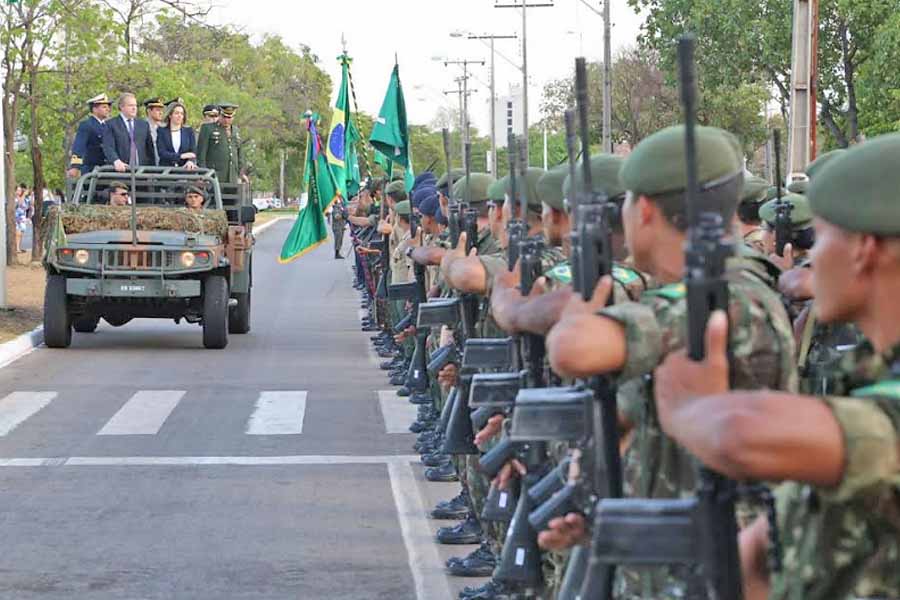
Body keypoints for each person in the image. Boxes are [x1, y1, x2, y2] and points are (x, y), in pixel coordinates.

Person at [652, 132, 900, 600]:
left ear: (864, 248)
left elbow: (742, 431)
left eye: (822, 238)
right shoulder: (869, 373)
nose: (812, 260)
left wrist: (688, 406)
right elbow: (764, 561)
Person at [102, 92, 156, 171]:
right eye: (131, 105)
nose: (134, 108)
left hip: (141, 173)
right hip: (120, 171)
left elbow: (150, 151)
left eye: (135, 105)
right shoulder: (111, 124)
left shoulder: (143, 125)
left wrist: (152, 171)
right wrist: (115, 160)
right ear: (121, 107)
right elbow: (108, 147)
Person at [197, 103, 246, 184]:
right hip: (214, 177)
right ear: (219, 115)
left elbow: (239, 154)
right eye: (224, 117)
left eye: (229, 117)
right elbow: (201, 155)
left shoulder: (236, 130)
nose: (226, 120)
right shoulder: (208, 128)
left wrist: (241, 174)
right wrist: (204, 175)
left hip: (233, 177)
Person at [67, 93, 111, 178]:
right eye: (104, 107)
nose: (108, 109)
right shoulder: (87, 125)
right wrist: (75, 166)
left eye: (108, 107)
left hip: (107, 169)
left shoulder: (108, 125)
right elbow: (79, 146)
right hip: (91, 170)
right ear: (94, 109)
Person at [156, 101, 197, 168]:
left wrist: (190, 161)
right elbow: (162, 153)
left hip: (185, 171)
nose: (179, 116)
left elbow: (193, 152)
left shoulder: (189, 131)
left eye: (182, 114)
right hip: (166, 172)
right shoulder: (161, 131)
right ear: (170, 115)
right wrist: (180, 156)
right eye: (176, 113)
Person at [143, 97, 166, 165]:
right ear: (149, 111)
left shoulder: (164, 127)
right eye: (158, 110)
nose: (161, 113)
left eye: (162, 110)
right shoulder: (142, 127)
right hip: (148, 167)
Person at [13, 184, 31, 253]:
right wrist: (23, 195)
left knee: (21, 234)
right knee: (17, 234)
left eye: (20, 190)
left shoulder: (26, 199)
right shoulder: (14, 198)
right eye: (18, 190)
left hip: (23, 217)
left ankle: (18, 247)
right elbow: (19, 203)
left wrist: (28, 217)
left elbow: (29, 208)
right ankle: (17, 248)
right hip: (16, 217)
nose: (19, 191)